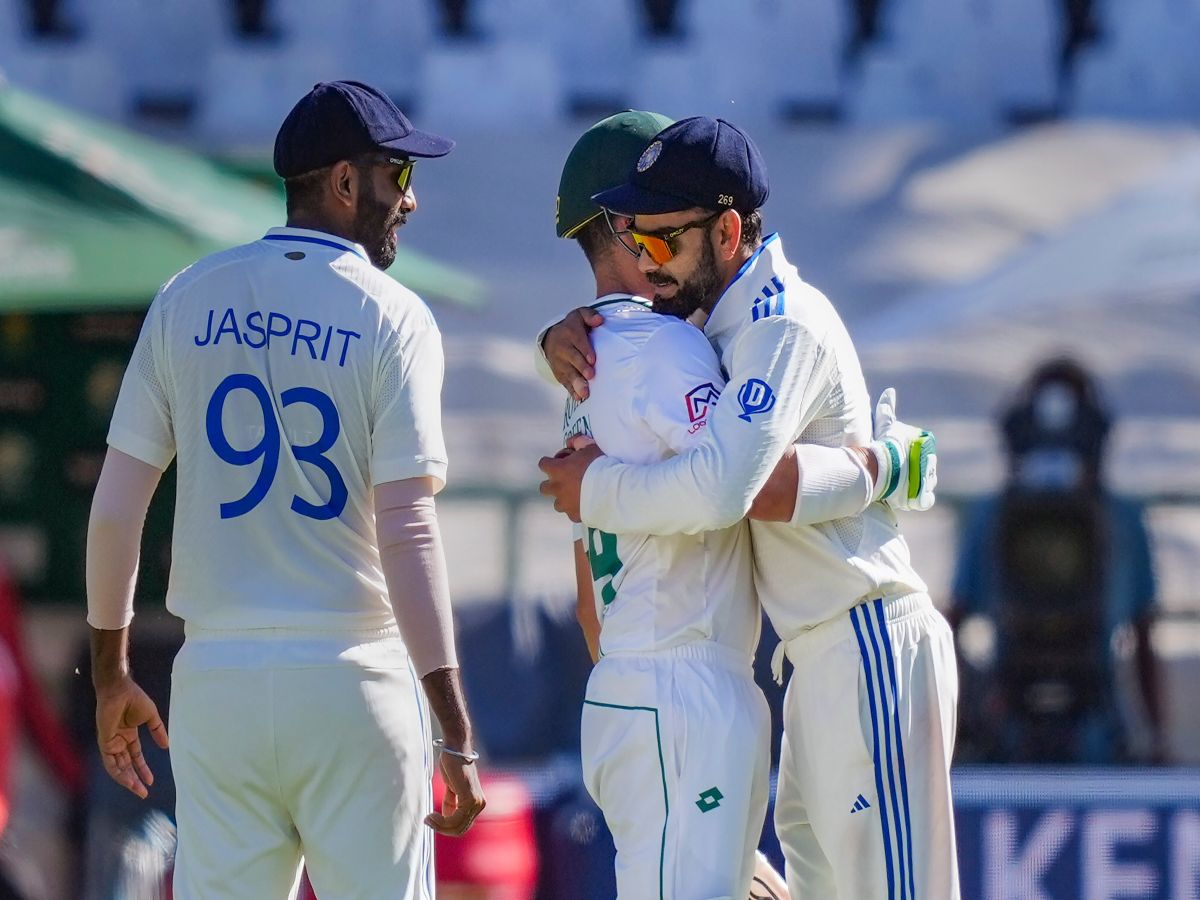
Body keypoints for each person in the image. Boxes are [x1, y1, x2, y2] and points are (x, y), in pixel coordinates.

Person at [538, 117, 957, 899]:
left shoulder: (779, 322)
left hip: (868, 634)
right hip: (812, 656)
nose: (648, 265)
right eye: (637, 241)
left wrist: (593, 488)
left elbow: (739, 489)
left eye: (663, 243)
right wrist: (566, 330)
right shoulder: (711, 322)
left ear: (728, 231)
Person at [85, 80, 485, 899]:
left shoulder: (186, 295)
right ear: (344, 183)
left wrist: (109, 676)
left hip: (217, 682)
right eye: (397, 177)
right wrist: (455, 728)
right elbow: (407, 529)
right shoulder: (394, 316)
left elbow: (118, 507)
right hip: (353, 676)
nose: (410, 199)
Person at [949, 358, 1164, 764]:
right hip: (1036, 727)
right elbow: (1144, 636)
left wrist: (962, 723)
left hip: (1073, 729)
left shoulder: (991, 515)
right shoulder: (994, 517)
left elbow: (950, 625)